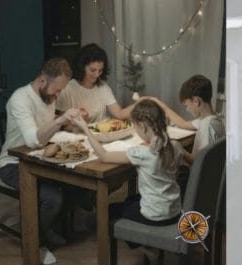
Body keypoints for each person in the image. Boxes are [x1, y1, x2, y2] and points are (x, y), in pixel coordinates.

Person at [0, 58, 84, 264]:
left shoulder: (49, 97)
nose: (58, 94)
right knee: (52, 198)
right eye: (57, 89)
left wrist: (70, 119)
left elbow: (48, 129)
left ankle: (47, 226)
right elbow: (33, 139)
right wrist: (60, 120)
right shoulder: (20, 99)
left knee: (79, 186)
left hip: (40, 160)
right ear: (43, 80)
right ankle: (35, 243)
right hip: (13, 164)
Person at [70, 100, 182, 258]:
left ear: (142, 127)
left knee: (110, 210)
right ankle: (146, 245)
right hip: (174, 209)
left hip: (155, 215)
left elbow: (104, 156)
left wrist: (86, 129)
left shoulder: (143, 153)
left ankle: (142, 245)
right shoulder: (175, 146)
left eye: (136, 127)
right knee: (130, 201)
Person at [143, 74, 225, 165]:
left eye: (186, 105)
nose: (187, 109)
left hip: (197, 177)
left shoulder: (207, 127)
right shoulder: (213, 120)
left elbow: (198, 165)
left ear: (196, 101)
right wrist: (159, 103)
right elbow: (182, 123)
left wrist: (177, 147)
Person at [56, 43, 137, 123]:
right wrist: (79, 120)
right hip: (78, 134)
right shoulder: (68, 88)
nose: (97, 74)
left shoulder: (103, 86)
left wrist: (139, 104)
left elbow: (119, 114)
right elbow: (63, 124)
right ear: (82, 67)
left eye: (100, 70)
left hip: (102, 134)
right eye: (93, 70)